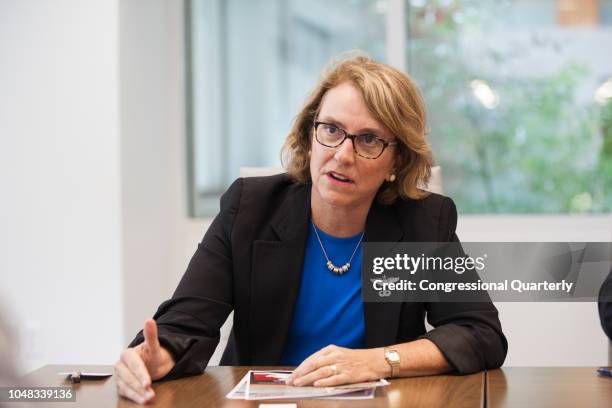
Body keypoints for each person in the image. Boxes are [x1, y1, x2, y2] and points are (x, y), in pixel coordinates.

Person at [114, 55, 507, 404]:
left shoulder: (423, 222)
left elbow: (480, 334)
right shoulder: (249, 208)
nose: (342, 154)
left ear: (396, 162)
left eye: (368, 140)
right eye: (331, 129)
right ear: (309, 134)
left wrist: (379, 360)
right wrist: (157, 355)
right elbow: (186, 324)